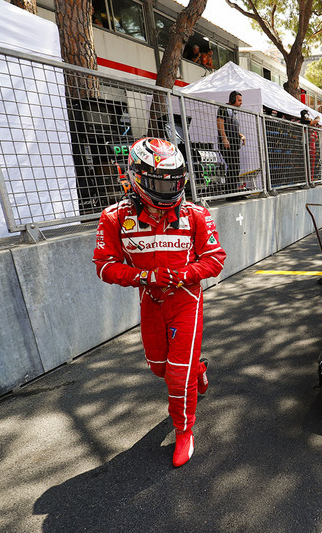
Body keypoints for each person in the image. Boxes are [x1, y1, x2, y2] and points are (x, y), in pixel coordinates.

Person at [93, 137, 227, 467]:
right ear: (136, 178)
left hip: (186, 300)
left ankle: (184, 431)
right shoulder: (113, 218)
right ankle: (198, 368)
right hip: (150, 301)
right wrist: (143, 278)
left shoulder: (196, 215)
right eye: (157, 183)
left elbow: (215, 259)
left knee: (176, 378)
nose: (166, 191)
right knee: (159, 368)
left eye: (173, 183)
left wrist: (182, 274)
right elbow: (104, 265)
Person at [217, 90, 246, 196]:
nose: (240, 103)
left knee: (236, 167)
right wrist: (224, 138)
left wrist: (241, 135)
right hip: (227, 144)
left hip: (234, 144)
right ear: (232, 99)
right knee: (232, 166)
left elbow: (232, 128)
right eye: (239, 100)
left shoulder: (233, 111)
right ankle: (230, 192)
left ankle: (233, 191)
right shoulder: (223, 108)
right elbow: (220, 123)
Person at [300, 110, 320, 181]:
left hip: (312, 149)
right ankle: (306, 179)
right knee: (306, 165)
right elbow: (315, 121)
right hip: (306, 147)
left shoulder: (313, 130)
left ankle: (310, 178)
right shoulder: (304, 122)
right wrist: (317, 118)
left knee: (312, 165)